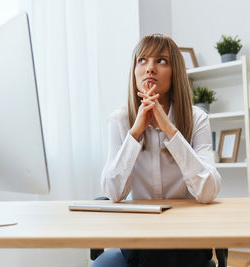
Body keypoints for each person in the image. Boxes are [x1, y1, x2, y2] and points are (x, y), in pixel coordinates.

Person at [92, 34, 221, 267]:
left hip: (187, 235)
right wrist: (135, 133)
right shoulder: (119, 121)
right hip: (140, 237)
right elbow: (113, 192)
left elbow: (207, 191)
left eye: (161, 61)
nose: (150, 68)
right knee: (154, 253)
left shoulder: (197, 118)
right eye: (142, 60)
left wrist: (170, 131)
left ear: (175, 72)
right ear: (134, 71)